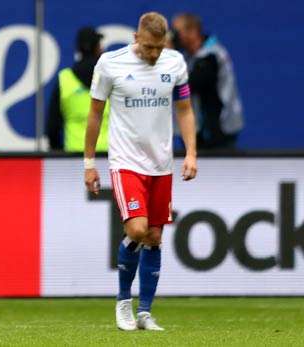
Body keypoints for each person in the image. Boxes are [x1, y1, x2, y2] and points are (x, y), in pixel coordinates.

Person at [84, 12, 197, 331]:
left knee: (156, 236)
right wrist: (89, 163)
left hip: (161, 163)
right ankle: (123, 303)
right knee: (137, 230)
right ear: (136, 38)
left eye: (158, 49)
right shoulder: (110, 64)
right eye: (148, 47)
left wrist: (190, 152)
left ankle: (145, 312)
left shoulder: (174, 64)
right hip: (126, 162)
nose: (153, 55)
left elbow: (185, 109)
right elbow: (94, 115)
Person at [172, 13, 243, 149]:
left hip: (217, 131)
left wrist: (167, 54)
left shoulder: (211, 55)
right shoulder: (188, 57)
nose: (173, 37)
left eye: (176, 32)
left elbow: (191, 84)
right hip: (197, 131)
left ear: (192, 31)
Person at [47, 27, 110, 152]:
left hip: (74, 156)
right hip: (110, 156)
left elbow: (52, 127)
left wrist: (59, 154)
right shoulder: (110, 77)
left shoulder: (64, 79)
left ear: (78, 50)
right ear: (98, 49)